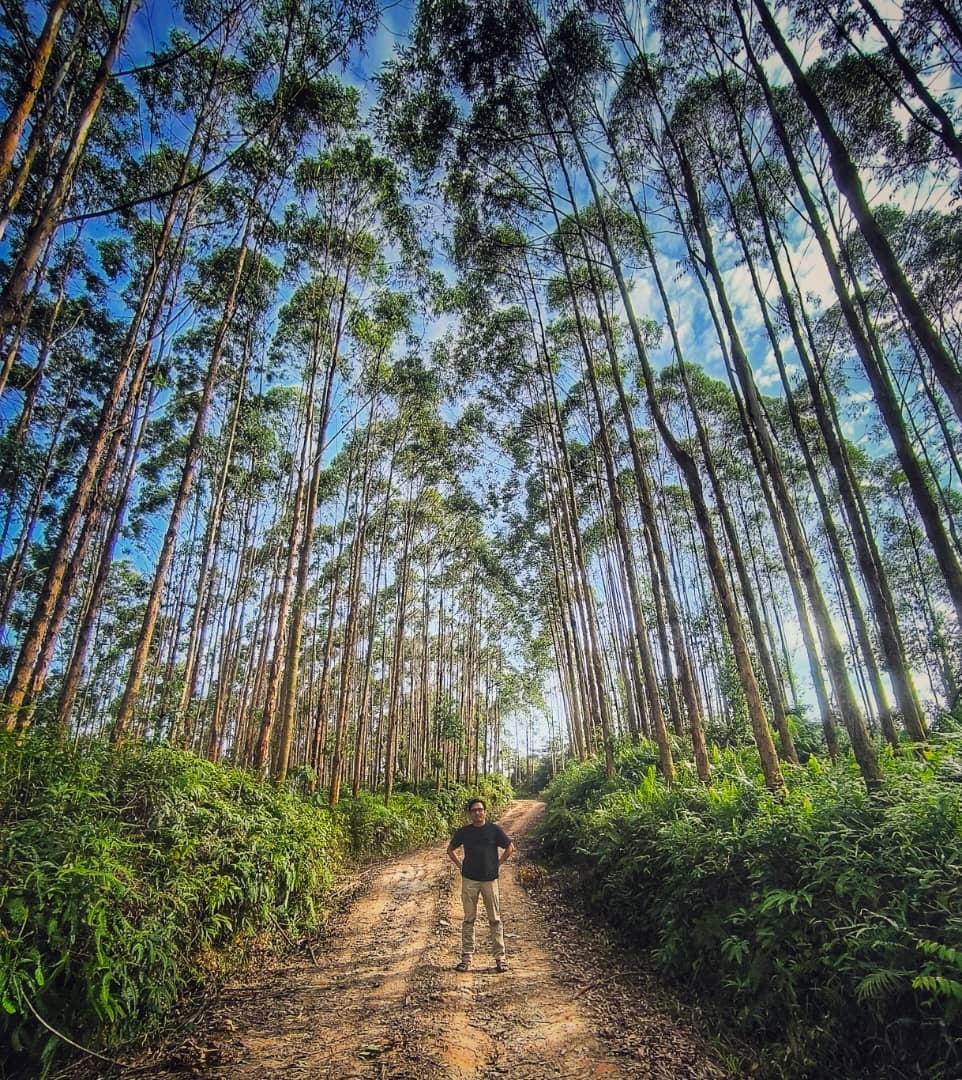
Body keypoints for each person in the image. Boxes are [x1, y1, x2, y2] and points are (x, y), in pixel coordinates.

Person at [446, 798, 515, 972]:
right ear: (470, 814)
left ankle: (500, 959)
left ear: (485, 812)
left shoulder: (494, 830)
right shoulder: (464, 832)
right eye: (474, 810)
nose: (478, 813)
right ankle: (466, 958)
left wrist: (497, 864)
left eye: (480, 809)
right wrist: (460, 866)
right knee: (469, 919)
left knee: (495, 919)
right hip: (469, 880)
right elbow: (450, 850)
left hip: (490, 880)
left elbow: (509, 847)